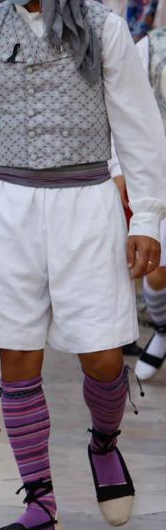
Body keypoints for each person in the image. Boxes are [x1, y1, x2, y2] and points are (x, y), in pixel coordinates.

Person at [0, 0, 166, 529]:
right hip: (8, 207)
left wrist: (145, 217)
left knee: (102, 354)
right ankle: (39, 501)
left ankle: (103, 442)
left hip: (87, 205)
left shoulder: (104, 30)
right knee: (18, 357)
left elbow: (140, 129)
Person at [134, 25, 166, 380]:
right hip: (162, 172)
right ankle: (161, 330)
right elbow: (128, 106)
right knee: (157, 273)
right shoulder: (152, 46)